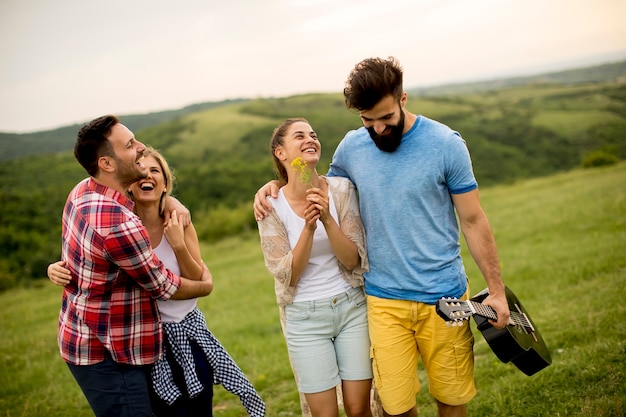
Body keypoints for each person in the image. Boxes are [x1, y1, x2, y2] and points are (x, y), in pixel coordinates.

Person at [253, 57, 511, 417]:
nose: (377, 129)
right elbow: (320, 188)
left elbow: (473, 220)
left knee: (452, 400)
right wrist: (276, 186)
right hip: (382, 300)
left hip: (445, 296)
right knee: (394, 406)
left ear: (402, 99)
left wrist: (496, 291)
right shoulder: (351, 148)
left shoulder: (445, 143)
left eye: (385, 118)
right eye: (366, 120)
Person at [49, 147, 266, 416]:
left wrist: (179, 245)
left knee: (200, 409)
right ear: (128, 184)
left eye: (155, 171)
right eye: (140, 170)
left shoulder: (179, 222)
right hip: (148, 343)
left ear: (165, 184)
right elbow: (88, 260)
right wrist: (54, 268)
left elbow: (194, 278)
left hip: (188, 334)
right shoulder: (121, 227)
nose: (146, 176)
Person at [53, 115, 214, 417]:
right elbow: (164, 286)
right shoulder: (119, 223)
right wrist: (206, 286)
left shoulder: (83, 190)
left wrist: (171, 201)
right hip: (107, 352)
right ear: (107, 164)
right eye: (129, 145)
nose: (140, 147)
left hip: (86, 333)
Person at [257, 118, 380, 417]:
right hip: (305, 318)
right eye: (299, 136)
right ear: (280, 153)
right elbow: (288, 274)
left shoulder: (340, 190)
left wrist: (327, 217)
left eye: (313, 134)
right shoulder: (270, 205)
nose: (310, 139)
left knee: (358, 408)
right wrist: (309, 228)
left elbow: (353, 260)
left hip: (352, 308)